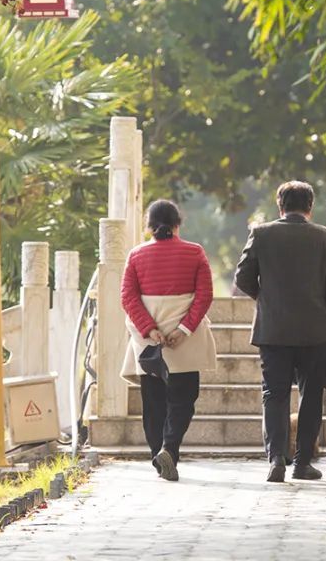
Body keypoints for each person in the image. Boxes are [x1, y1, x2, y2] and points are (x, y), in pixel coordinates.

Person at [234, 180, 326, 483]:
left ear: (279, 205)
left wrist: (266, 299)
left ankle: (275, 460)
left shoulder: (262, 234)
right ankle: (301, 464)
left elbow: (243, 277)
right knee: (311, 396)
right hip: (317, 330)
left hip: (273, 330)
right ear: (310, 207)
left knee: (274, 394)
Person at [121, 200, 217, 482]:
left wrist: (150, 330)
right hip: (184, 341)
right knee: (183, 400)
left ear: (149, 226)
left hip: (150, 344)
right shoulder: (195, 252)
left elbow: (128, 297)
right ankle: (169, 449)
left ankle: (158, 455)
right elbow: (204, 295)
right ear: (178, 224)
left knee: (153, 404)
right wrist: (184, 328)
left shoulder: (136, 256)